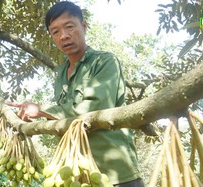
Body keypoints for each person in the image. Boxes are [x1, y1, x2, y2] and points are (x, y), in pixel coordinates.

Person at [7, 1, 144, 186]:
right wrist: (37, 121)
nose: (63, 36)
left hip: (116, 175)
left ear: (84, 26)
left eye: (69, 27)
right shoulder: (61, 74)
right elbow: (66, 119)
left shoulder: (104, 62)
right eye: (55, 32)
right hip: (78, 175)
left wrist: (40, 109)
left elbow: (95, 108)